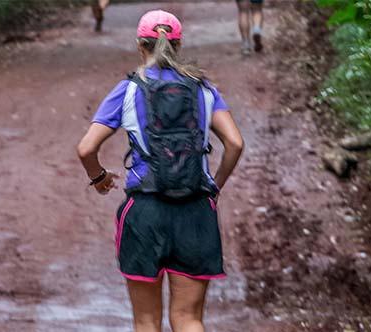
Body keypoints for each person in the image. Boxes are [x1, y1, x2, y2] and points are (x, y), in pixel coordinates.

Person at [77, 10, 244, 332]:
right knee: (189, 318)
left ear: (141, 45)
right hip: (196, 211)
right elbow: (234, 143)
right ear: (178, 45)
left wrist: (99, 179)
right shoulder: (203, 89)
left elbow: (86, 148)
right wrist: (215, 186)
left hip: (145, 214)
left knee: (146, 321)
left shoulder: (128, 89)